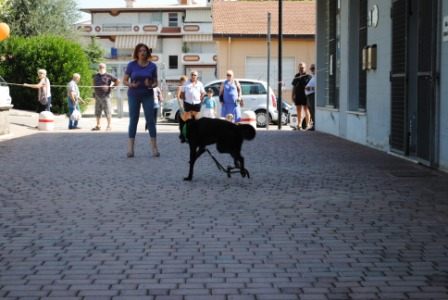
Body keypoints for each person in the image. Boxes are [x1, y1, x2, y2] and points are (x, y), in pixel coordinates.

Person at [123, 43, 159, 158]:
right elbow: (124, 80)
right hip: (133, 95)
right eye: (140, 51)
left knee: (150, 120)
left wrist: (151, 85)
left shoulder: (152, 66)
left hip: (147, 94)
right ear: (137, 53)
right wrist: (131, 84)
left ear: (147, 53)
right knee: (133, 120)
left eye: (144, 50)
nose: (142, 52)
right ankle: (131, 149)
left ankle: (154, 148)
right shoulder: (131, 65)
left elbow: (156, 82)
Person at [91, 63, 120, 131]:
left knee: (107, 110)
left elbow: (117, 81)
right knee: (97, 111)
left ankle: (109, 126)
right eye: (100, 67)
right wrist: (95, 88)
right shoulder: (96, 75)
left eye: (102, 67)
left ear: (105, 68)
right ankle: (98, 125)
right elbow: (94, 83)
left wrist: (112, 87)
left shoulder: (108, 75)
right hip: (97, 96)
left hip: (106, 96)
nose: (101, 68)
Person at [291, 62, 312, 130]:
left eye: (302, 67)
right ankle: (299, 125)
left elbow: (311, 86)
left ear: (305, 68)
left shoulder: (308, 76)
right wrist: (292, 96)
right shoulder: (296, 76)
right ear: (298, 68)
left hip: (305, 95)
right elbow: (294, 87)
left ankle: (307, 125)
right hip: (298, 95)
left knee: (306, 109)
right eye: (300, 67)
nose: (301, 69)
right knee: (298, 110)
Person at [305, 63, 316, 131]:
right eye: (311, 68)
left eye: (313, 68)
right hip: (309, 96)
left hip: (313, 95)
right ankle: (314, 124)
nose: (311, 70)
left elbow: (319, 87)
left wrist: (310, 89)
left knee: (313, 111)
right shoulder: (313, 76)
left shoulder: (318, 76)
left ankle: (315, 125)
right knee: (311, 111)